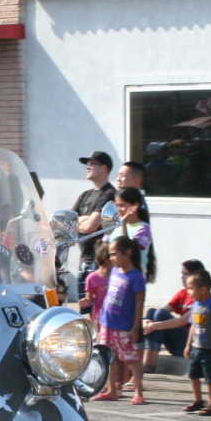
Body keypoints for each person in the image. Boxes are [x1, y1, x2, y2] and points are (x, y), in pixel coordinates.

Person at [145, 270, 211, 415]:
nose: (188, 292)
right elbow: (193, 326)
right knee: (193, 375)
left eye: (191, 288)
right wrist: (188, 345)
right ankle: (198, 400)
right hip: (197, 348)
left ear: (203, 289)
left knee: (210, 378)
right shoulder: (195, 306)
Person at [92, 235, 147, 404]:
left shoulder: (136, 277)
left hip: (124, 325)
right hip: (107, 322)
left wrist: (135, 327)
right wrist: (100, 319)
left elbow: (139, 304)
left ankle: (138, 393)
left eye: (114, 254)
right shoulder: (115, 271)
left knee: (131, 359)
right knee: (110, 357)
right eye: (110, 254)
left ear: (127, 253)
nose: (111, 258)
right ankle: (112, 390)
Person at [142, 259, 208, 369]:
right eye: (181, 273)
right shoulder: (183, 293)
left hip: (190, 345)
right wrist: (145, 321)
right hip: (176, 345)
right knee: (152, 311)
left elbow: (181, 321)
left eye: (185, 274)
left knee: (160, 315)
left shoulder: (201, 297)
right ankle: (148, 358)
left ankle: (149, 363)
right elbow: (163, 311)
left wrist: (153, 326)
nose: (182, 277)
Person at [73, 150, 116, 279]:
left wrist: (80, 222)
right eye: (87, 164)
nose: (88, 167)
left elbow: (90, 227)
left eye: (92, 163)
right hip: (84, 260)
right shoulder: (85, 195)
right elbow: (66, 224)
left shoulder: (110, 194)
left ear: (104, 168)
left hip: (101, 263)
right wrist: (85, 219)